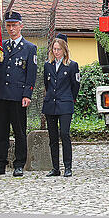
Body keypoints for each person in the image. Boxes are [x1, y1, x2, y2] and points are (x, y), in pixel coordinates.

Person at [0, 11, 37, 177]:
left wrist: (27, 94)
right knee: (1, 131)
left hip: (18, 96)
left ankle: (19, 163)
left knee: (19, 131)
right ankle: (1, 162)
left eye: (14, 25)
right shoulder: (1, 46)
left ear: (21, 26)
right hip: (2, 95)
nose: (11, 29)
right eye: (9, 25)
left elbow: (31, 74)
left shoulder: (29, 48)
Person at [43, 34, 80, 177]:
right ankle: (55, 167)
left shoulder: (72, 65)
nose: (56, 52)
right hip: (50, 104)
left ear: (64, 50)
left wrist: (70, 98)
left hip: (65, 104)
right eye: (54, 49)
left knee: (64, 134)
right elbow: (47, 84)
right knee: (53, 137)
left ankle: (68, 166)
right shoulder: (48, 65)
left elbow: (75, 85)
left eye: (59, 49)